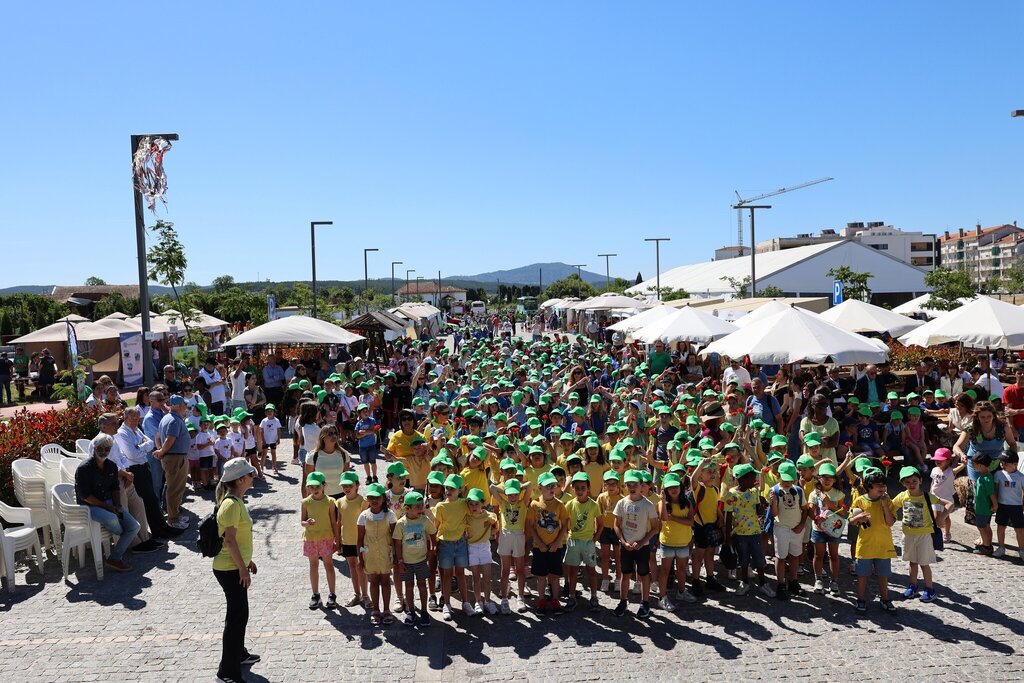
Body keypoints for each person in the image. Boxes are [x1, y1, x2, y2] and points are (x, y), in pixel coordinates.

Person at [212, 457, 260, 683]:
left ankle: (239, 655)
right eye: (250, 474)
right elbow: (229, 541)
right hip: (229, 569)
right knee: (236, 618)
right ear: (240, 479)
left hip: (235, 566)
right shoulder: (231, 504)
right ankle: (227, 673)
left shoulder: (236, 500)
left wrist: (247, 561)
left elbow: (237, 539)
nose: (253, 476)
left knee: (240, 614)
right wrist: (242, 569)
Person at [75, 433, 142, 572]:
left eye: (107, 449)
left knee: (134, 526)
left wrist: (117, 505)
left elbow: (115, 488)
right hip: (89, 506)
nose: (104, 451)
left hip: (109, 503)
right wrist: (109, 507)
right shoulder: (84, 468)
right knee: (114, 520)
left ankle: (114, 558)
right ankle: (120, 532)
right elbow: (86, 496)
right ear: (94, 448)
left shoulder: (111, 466)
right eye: (101, 448)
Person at [892, 466, 950, 603]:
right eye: (907, 482)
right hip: (908, 535)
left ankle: (930, 589)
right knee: (912, 563)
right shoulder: (902, 496)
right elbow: (891, 508)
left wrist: (941, 518)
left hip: (924, 536)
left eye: (914, 481)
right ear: (903, 484)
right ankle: (913, 586)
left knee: (924, 564)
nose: (911, 484)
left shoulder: (927, 496)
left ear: (920, 480)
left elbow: (949, 504)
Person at [849, 469, 897, 614]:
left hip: (883, 545)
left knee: (883, 575)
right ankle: (861, 599)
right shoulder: (860, 500)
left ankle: (885, 599)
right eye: (878, 485)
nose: (882, 488)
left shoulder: (887, 501)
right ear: (869, 487)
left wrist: (883, 506)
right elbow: (851, 521)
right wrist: (859, 518)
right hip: (865, 546)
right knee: (862, 575)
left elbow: (890, 523)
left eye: (883, 485)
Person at [613, 469, 660, 618]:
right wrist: (623, 542)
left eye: (635, 484)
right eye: (629, 484)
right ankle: (623, 601)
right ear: (625, 486)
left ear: (641, 486)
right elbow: (616, 525)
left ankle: (645, 602)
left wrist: (642, 542)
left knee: (644, 574)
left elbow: (655, 527)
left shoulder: (648, 505)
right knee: (625, 574)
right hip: (626, 546)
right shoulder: (621, 503)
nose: (632, 487)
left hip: (642, 547)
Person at [723, 463, 774, 598]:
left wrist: (762, 506)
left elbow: (758, 511)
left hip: (755, 532)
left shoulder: (754, 492)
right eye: (752, 477)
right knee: (743, 560)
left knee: (759, 559)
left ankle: (763, 583)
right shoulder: (731, 495)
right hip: (740, 534)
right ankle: (744, 582)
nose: (754, 480)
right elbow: (727, 517)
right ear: (742, 479)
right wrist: (727, 537)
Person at [393, 490, 436, 626]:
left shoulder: (425, 520)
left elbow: (432, 533)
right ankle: (411, 611)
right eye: (417, 507)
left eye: (421, 506)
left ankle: (424, 611)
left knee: (422, 585)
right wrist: (400, 561)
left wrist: (432, 549)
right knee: (409, 586)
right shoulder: (401, 524)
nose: (420, 509)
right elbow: (397, 543)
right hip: (406, 562)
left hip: (421, 560)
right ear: (407, 508)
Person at [357, 482, 398, 626]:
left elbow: (395, 536)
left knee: (386, 581)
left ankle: (386, 609)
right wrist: (360, 559)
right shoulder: (363, 516)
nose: (374, 501)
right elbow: (360, 538)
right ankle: (376, 609)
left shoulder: (390, 515)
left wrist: (397, 555)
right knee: (373, 581)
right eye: (371, 498)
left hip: (386, 554)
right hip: (370, 555)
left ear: (383, 499)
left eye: (377, 498)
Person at [301, 471, 341, 610]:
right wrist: (307, 523)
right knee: (313, 566)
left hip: (326, 538)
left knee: (329, 565)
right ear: (308, 488)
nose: (314, 490)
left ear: (324, 486)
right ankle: (315, 594)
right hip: (311, 538)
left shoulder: (330, 502)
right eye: (311, 487)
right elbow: (302, 521)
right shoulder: (306, 502)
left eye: (317, 486)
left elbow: (333, 521)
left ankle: (332, 594)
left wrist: (337, 539)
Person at [769, 461, 807, 601]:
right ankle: (780, 584)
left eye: (790, 479)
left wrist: (802, 524)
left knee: (795, 555)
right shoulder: (775, 490)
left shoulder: (798, 490)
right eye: (784, 479)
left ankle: (793, 581)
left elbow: (805, 509)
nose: (787, 482)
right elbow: (774, 514)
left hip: (796, 527)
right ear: (778, 476)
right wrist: (772, 502)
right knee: (780, 556)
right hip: (781, 528)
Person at [155, 395, 192, 529]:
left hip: (174, 457)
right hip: (175, 458)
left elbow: (158, 436)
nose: (185, 408)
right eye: (184, 405)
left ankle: (174, 515)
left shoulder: (167, 418)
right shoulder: (174, 420)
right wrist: (162, 451)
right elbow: (170, 439)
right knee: (174, 490)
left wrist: (160, 450)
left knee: (176, 488)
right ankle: (173, 519)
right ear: (179, 405)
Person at [335, 471, 370, 608]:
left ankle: (365, 595)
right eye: (344, 485)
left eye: (350, 485)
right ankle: (357, 594)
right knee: (352, 567)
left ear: (357, 485)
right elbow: (339, 523)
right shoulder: (339, 502)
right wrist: (338, 540)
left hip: (361, 541)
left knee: (361, 567)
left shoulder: (363, 501)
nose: (346, 488)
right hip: (347, 540)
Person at [465, 488, 499, 615]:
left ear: (482, 503)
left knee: (487, 577)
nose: (474, 506)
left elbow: (496, 524)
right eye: (471, 504)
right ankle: (478, 601)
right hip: (472, 547)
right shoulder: (467, 517)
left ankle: (488, 601)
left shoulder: (489, 516)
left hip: (485, 547)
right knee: (475, 577)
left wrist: (493, 532)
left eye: (477, 503)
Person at [993, 451, 1024, 561]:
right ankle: (1001, 547)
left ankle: (1021, 549)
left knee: (1019, 529)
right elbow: (996, 490)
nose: (1002, 464)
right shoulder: (999, 474)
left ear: (1015, 464)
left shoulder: (1021, 477)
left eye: (1005, 463)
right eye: (1001, 462)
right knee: (1001, 527)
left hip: (1016, 506)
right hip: (1002, 505)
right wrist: (995, 503)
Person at [972, 453, 997, 555]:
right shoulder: (983, 477)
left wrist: (995, 505)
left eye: (974, 464)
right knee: (986, 526)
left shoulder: (986, 479)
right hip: (982, 507)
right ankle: (988, 544)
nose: (973, 466)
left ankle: (986, 547)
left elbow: (991, 493)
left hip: (983, 509)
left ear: (981, 465)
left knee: (981, 527)